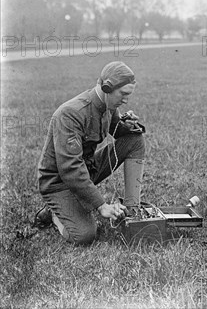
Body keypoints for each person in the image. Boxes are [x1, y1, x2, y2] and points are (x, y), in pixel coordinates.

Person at [34, 61, 146, 244]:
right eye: (123, 94)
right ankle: (54, 214)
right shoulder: (70, 114)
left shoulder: (108, 105)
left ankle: (132, 211)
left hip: (86, 169)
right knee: (85, 235)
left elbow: (116, 131)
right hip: (59, 182)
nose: (126, 100)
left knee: (135, 140)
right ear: (107, 87)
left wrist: (127, 125)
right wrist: (101, 205)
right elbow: (70, 168)